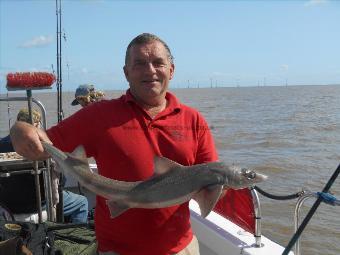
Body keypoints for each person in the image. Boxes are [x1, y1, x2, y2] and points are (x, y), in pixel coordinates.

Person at [10, 33, 218, 255]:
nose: (150, 70)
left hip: (181, 248)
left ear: (172, 70)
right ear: (126, 73)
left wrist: (221, 187)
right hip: (117, 250)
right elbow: (43, 143)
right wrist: (19, 130)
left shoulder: (194, 120)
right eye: (139, 64)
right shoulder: (98, 115)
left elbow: (211, 180)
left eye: (158, 63)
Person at [1, 108, 88, 224]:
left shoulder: (1, 144)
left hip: (7, 208)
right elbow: (61, 182)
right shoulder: (46, 148)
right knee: (82, 202)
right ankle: (74, 238)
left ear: (18, 122)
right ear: (37, 124)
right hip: (40, 208)